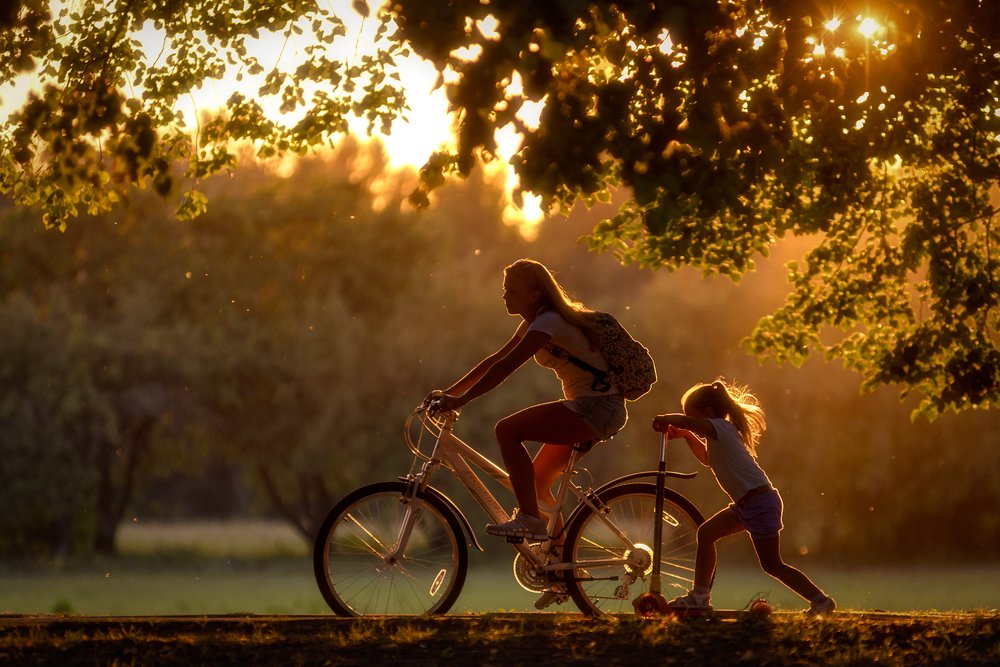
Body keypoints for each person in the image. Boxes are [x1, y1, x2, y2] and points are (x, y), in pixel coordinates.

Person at [428, 259, 628, 542]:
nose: (504, 295)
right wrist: (449, 392)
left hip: (597, 407)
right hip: (593, 407)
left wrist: (462, 400)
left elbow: (505, 367)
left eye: (512, 290)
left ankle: (530, 519)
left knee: (507, 430)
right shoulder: (535, 321)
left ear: (534, 295)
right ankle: (559, 566)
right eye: (504, 289)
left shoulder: (548, 322)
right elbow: (494, 360)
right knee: (535, 485)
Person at [651, 379, 837, 616]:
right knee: (706, 534)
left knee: (772, 564)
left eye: (694, 417)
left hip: (759, 503)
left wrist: (669, 419)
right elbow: (708, 459)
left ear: (708, 413)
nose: (694, 423)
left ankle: (821, 601)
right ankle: (699, 597)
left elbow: (689, 422)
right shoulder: (717, 435)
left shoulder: (721, 427)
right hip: (747, 504)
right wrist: (688, 435)